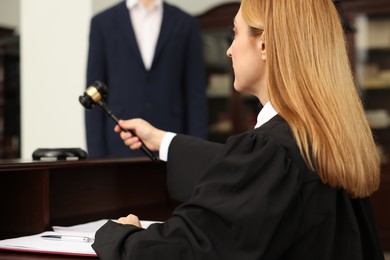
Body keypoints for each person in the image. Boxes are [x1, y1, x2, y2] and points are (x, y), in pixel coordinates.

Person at [92, 0, 385, 259]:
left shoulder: (271, 151)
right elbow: (252, 176)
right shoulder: (323, 138)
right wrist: (162, 140)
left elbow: (185, 249)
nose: (230, 50)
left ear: (265, 44)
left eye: (235, 32)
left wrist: (122, 235)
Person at [85, 0, 208, 158]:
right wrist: (96, 161)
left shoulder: (185, 22)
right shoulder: (102, 23)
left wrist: (197, 155)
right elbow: (94, 93)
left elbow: (196, 94)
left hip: (174, 144)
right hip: (118, 147)